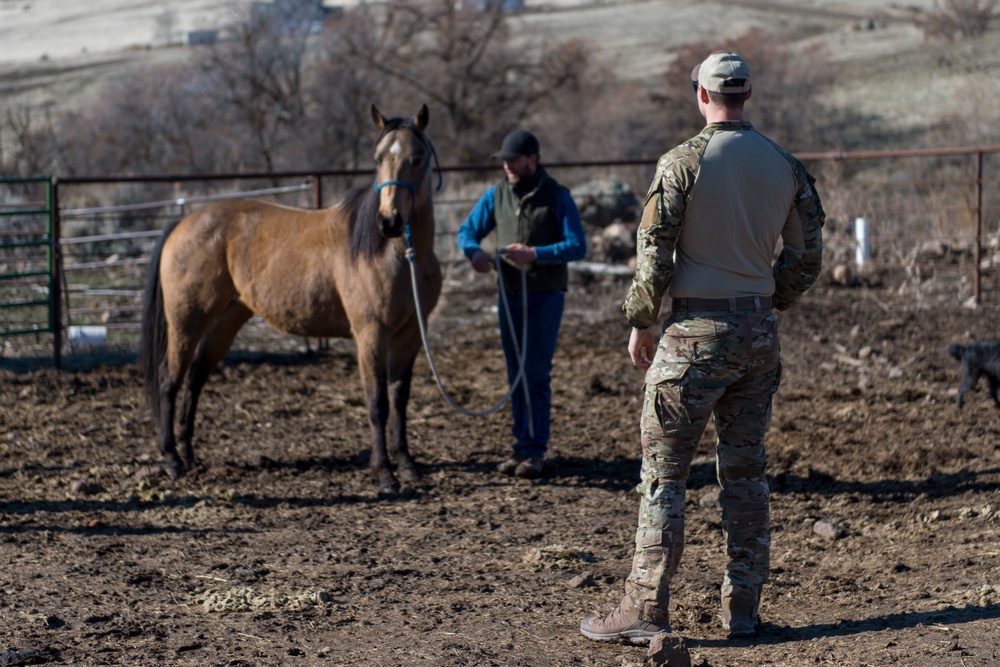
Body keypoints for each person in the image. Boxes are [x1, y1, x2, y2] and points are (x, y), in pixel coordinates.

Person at [580, 51, 825, 643]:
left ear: (701, 94)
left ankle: (645, 607)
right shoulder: (786, 166)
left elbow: (654, 252)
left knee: (664, 476)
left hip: (693, 337)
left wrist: (642, 319)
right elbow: (808, 255)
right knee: (745, 471)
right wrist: (772, 301)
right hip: (757, 337)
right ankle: (742, 608)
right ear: (748, 94)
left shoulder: (682, 163)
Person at [457, 129, 587, 479]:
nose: (507, 166)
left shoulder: (557, 196)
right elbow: (467, 231)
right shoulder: (496, 194)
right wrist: (474, 254)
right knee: (516, 372)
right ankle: (522, 446)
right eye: (504, 161)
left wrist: (535, 254)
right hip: (510, 294)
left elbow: (577, 245)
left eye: (513, 160)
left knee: (536, 372)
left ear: (532, 158)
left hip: (545, 295)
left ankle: (534, 449)